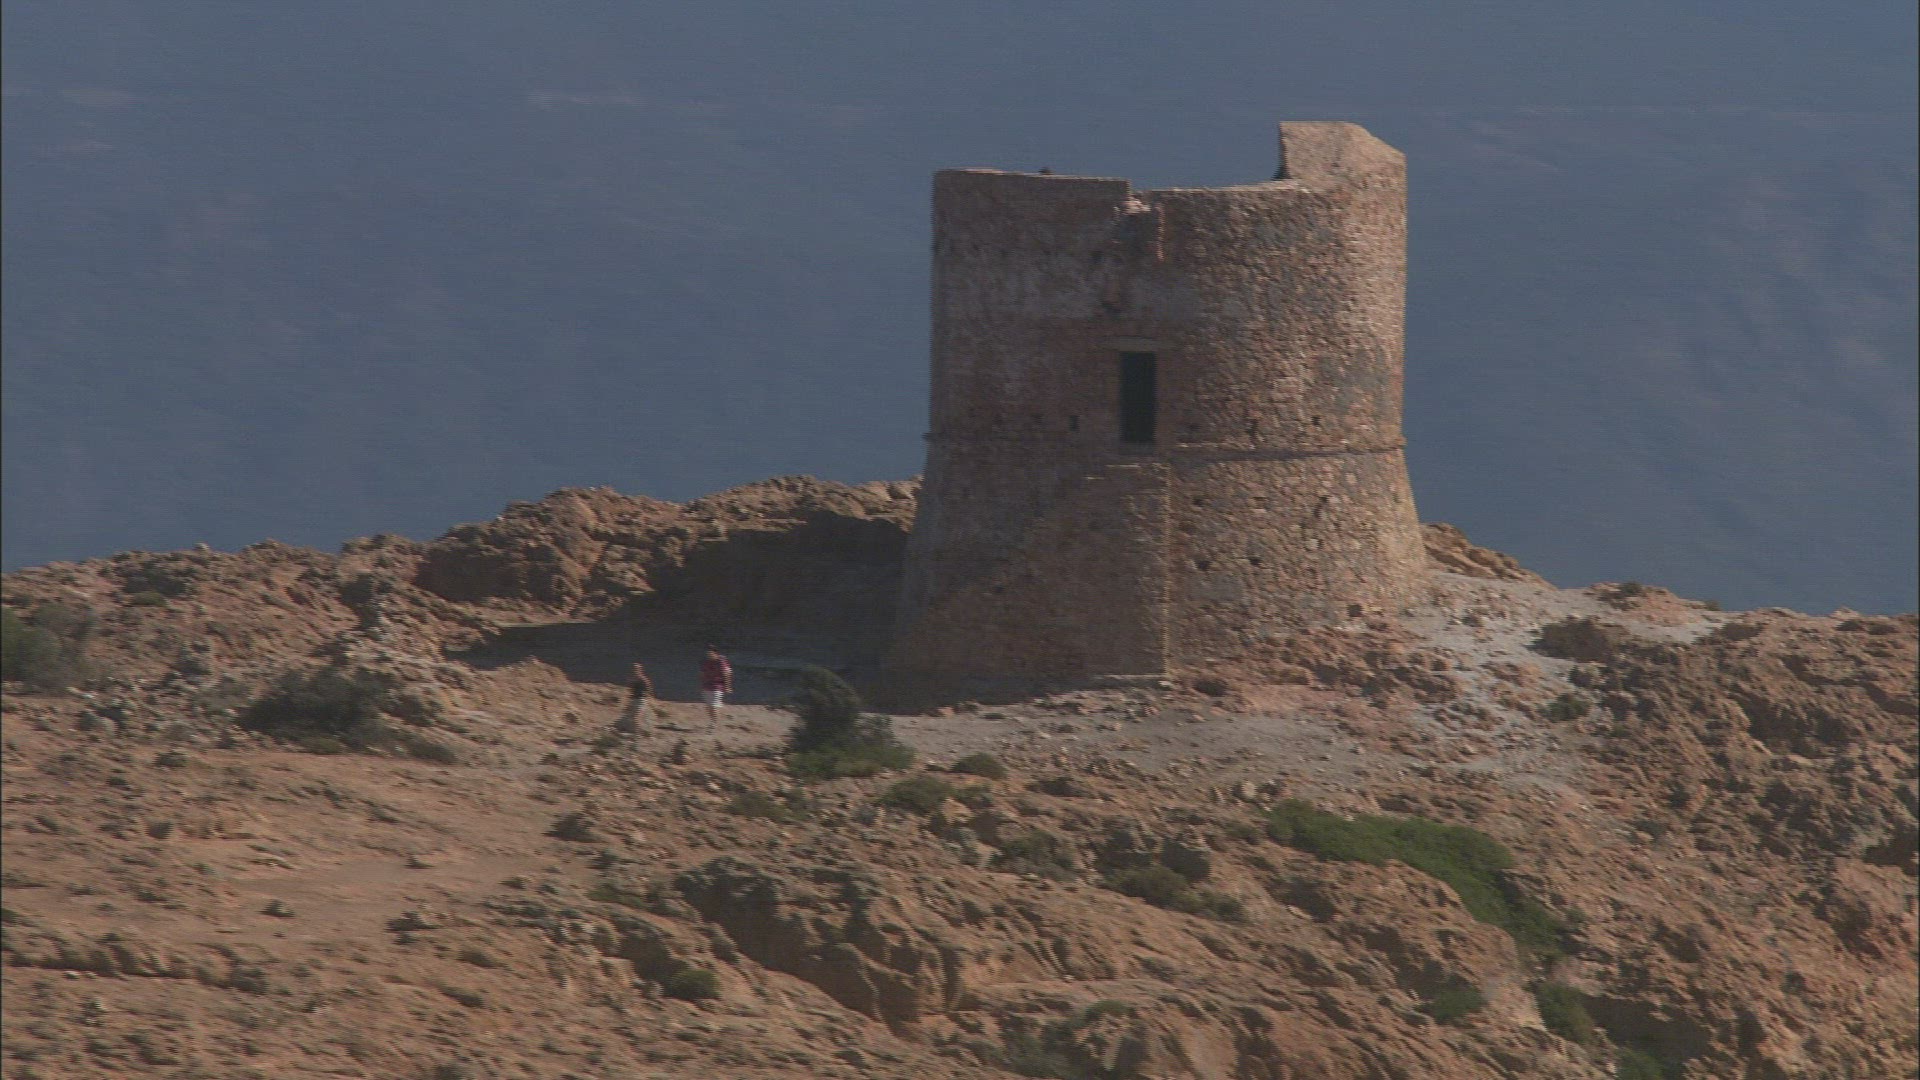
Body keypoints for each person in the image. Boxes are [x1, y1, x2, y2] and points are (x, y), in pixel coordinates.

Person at [615, 661, 653, 737]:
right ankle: (627, 730)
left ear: (640, 670)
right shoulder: (633, 679)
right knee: (627, 715)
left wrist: (647, 699)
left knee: (637, 716)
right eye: (633, 669)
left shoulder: (643, 679)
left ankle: (637, 734)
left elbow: (649, 689)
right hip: (634, 699)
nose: (634, 670)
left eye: (636, 669)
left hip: (641, 700)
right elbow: (630, 690)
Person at [699, 646, 732, 730]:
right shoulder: (706, 662)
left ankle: (714, 724)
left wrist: (727, 686)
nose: (709, 655)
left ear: (716, 653)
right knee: (709, 706)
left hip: (717, 686)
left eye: (710, 653)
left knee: (713, 705)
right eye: (707, 654)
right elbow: (702, 673)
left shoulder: (721, 661)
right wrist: (702, 684)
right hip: (707, 686)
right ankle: (712, 721)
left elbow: (727, 674)